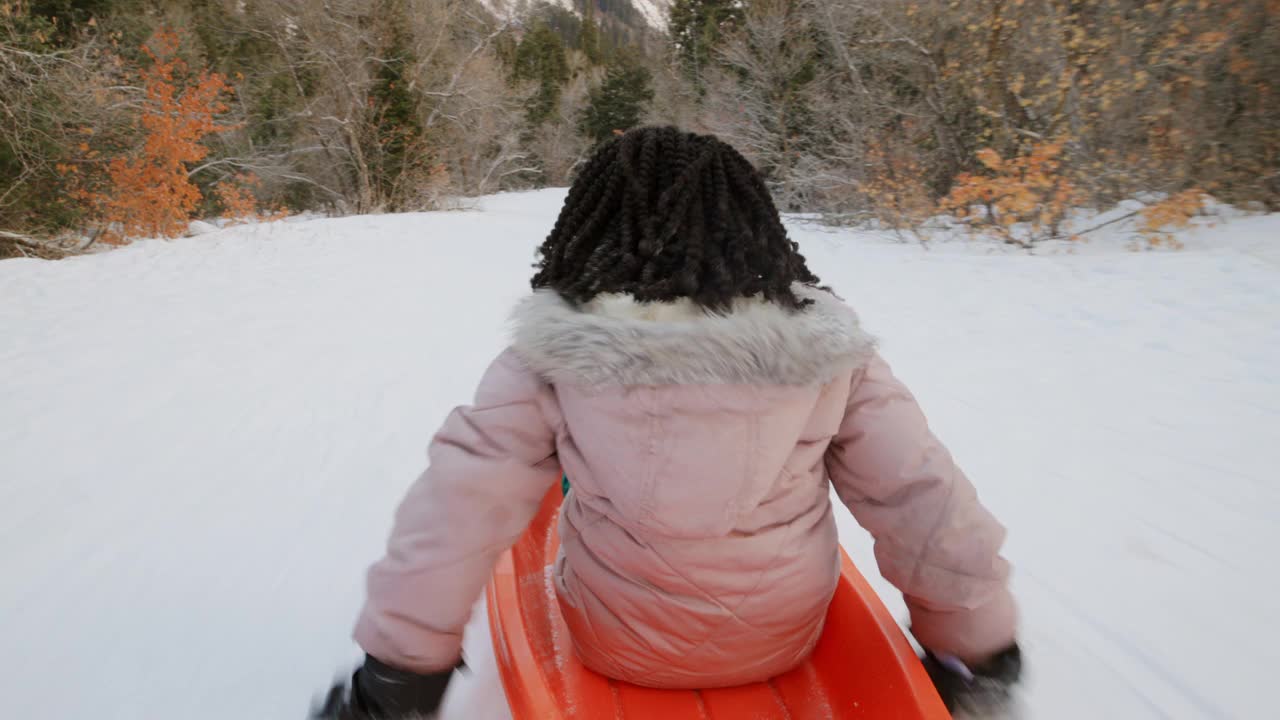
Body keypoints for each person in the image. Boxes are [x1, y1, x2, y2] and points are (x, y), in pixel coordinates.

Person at [313, 126, 1021, 719]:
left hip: (610, 637)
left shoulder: (550, 359)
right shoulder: (833, 356)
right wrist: (980, 652)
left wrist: (398, 679)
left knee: (547, 480)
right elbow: (920, 497)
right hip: (786, 633)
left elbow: (455, 510)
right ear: (754, 228)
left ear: (587, 230)